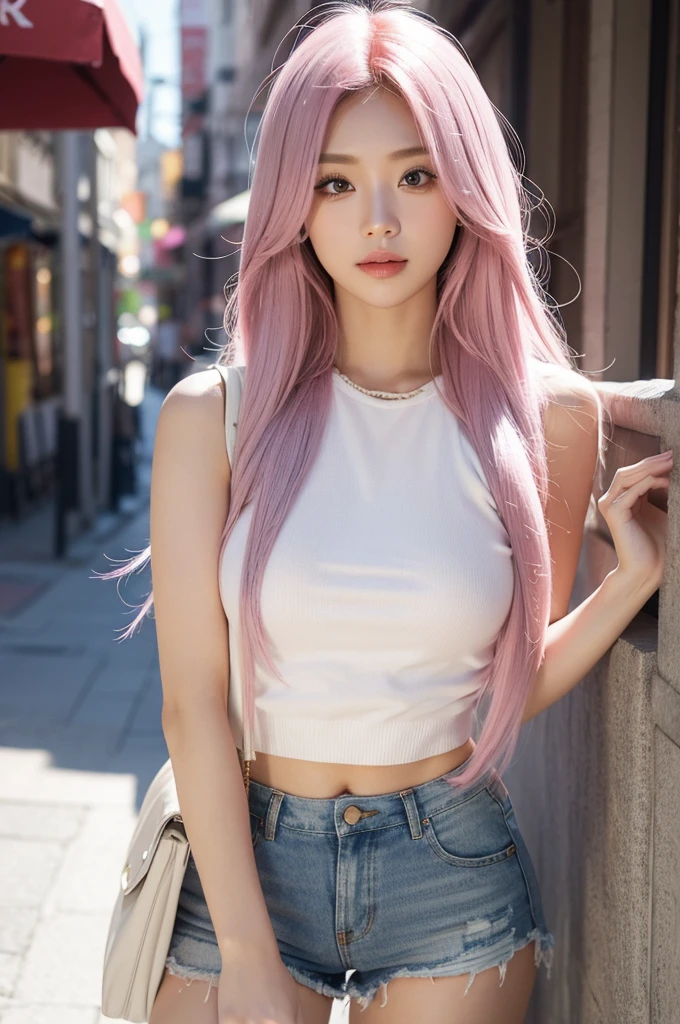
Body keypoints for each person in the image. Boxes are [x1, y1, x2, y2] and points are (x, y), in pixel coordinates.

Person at [103, 4, 672, 1022]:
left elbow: (496, 680)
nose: (377, 218)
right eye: (334, 180)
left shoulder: (544, 420)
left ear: (463, 190)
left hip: (448, 866)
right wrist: (246, 953)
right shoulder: (214, 420)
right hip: (244, 855)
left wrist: (625, 582)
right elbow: (191, 701)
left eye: (414, 175)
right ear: (292, 202)